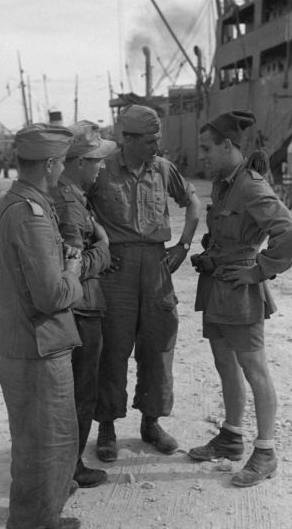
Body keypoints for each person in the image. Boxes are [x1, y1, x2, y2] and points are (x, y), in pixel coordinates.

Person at [188, 110, 292, 487]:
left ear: (227, 145)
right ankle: (231, 437)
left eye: (207, 148)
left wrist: (259, 269)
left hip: (241, 289)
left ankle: (266, 452)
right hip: (218, 285)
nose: (202, 155)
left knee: (255, 369)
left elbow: (290, 232)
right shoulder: (223, 184)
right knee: (225, 364)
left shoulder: (251, 185)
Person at [0, 123, 83, 529]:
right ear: (52, 164)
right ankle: (35, 523)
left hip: (15, 335)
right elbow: (52, 295)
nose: (63, 170)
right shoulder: (33, 216)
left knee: (30, 438)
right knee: (48, 441)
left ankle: (32, 515)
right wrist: (73, 268)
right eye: (61, 163)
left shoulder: (12, 202)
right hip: (37, 342)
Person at [88, 104, 201, 462]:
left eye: (158, 140)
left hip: (156, 267)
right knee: (112, 350)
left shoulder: (163, 169)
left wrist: (183, 244)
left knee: (158, 346)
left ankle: (151, 423)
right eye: (151, 141)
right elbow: (78, 209)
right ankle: (107, 427)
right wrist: (99, 243)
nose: (157, 147)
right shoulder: (102, 170)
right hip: (115, 272)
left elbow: (193, 200)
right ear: (129, 139)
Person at [51, 120, 117, 488]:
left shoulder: (69, 193)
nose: (101, 166)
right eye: (96, 160)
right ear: (78, 162)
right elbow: (70, 268)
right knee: (80, 391)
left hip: (81, 307)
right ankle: (70, 466)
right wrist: (104, 250)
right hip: (81, 309)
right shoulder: (69, 202)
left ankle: (66, 462)